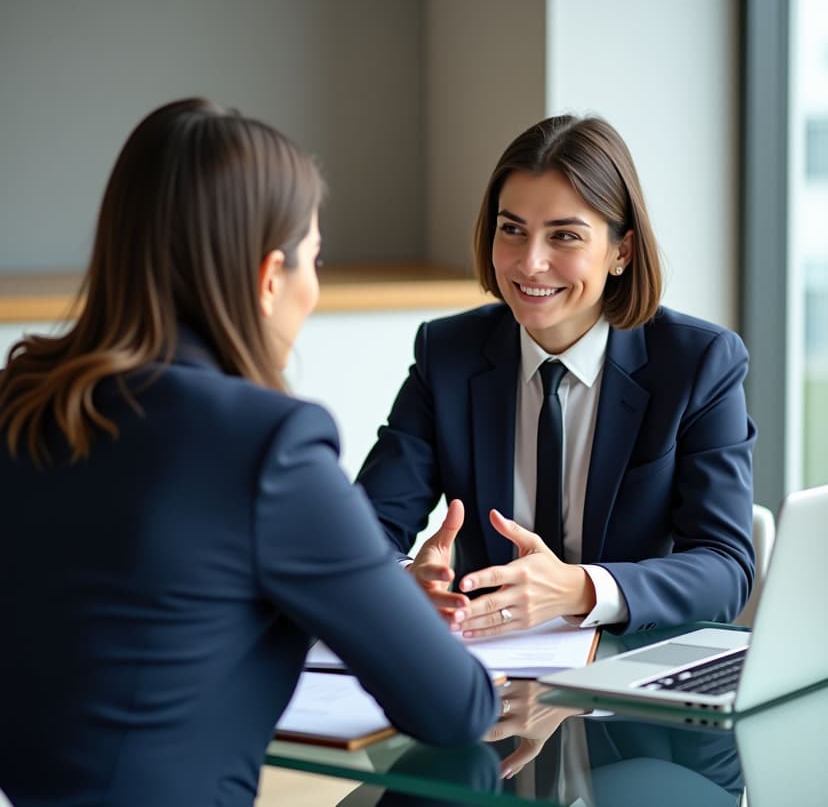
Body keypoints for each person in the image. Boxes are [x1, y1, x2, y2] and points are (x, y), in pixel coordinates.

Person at [0, 98, 498, 807]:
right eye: (313, 260)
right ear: (270, 277)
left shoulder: (21, 399)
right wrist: (396, 607)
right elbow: (455, 708)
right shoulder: (268, 446)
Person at [357, 114, 756, 638]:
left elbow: (725, 568)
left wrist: (579, 589)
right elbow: (362, 535)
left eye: (564, 236)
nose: (530, 263)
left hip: (628, 669)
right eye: (512, 230)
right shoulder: (448, 354)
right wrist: (408, 580)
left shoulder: (698, 363)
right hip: (488, 672)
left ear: (621, 251)